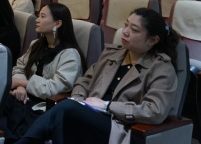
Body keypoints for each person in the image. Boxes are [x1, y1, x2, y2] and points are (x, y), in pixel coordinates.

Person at [17, 8, 179, 144]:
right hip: (91, 115)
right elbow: (84, 81)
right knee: (67, 112)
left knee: (67, 109)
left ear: (152, 40)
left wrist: (107, 106)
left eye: (134, 30)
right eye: (126, 25)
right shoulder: (112, 54)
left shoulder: (162, 68)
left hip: (121, 127)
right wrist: (79, 99)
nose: (125, 31)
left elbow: (155, 111)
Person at [2, 3, 84, 142]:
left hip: (43, 106)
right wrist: (21, 87)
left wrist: (23, 83)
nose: (37, 20)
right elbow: (20, 67)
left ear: (57, 23)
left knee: (19, 133)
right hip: (22, 97)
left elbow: (54, 88)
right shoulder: (36, 44)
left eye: (42, 16)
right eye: (38, 15)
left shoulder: (69, 54)